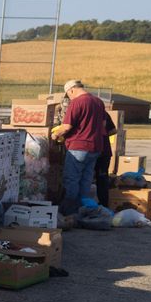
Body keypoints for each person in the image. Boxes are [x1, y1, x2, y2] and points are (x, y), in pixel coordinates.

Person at [52, 79, 110, 215]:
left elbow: (67, 127)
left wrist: (55, 135)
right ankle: (82, 211)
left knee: (71, 179)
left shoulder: (77, 102)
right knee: (86, 180)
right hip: (95, 147)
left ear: (71, 90)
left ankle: (69, 212)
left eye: (68, 94)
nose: (69, 97)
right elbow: (102, 125)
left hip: (79, 146)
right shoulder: (98, 102)